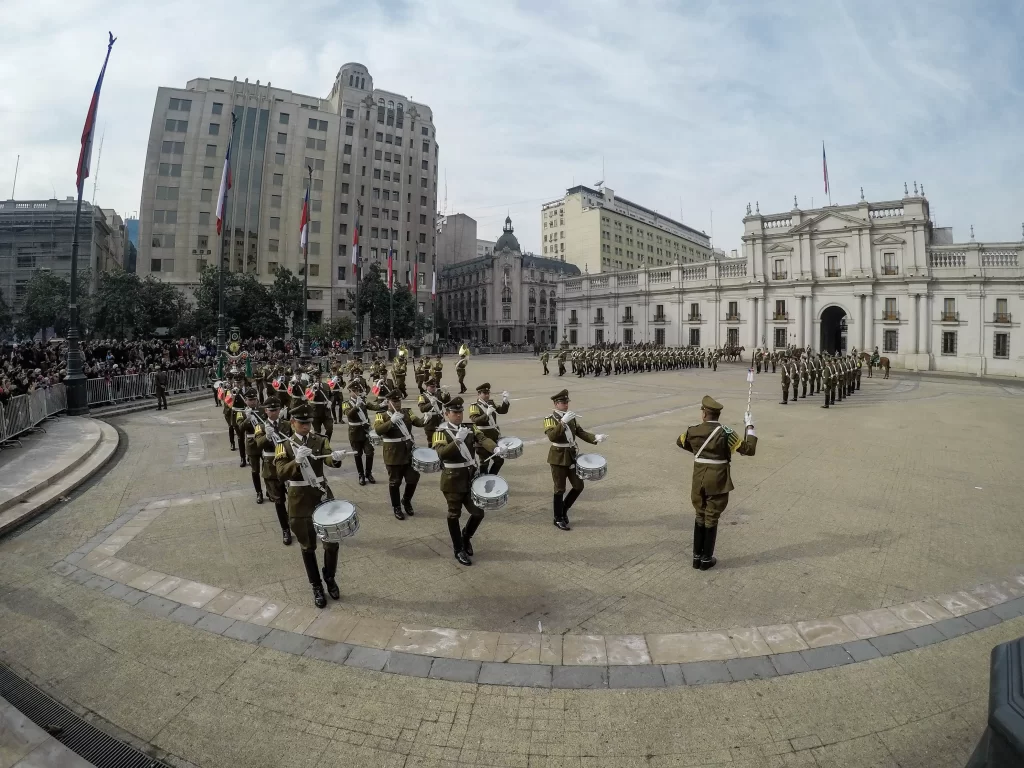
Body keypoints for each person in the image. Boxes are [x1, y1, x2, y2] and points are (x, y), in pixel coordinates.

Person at [274, 403, 347, 607]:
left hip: (321, 496)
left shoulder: (320, 439)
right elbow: (280, 473)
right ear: (293, 422)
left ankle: (330, 577)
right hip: (299, 501)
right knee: (308, 547)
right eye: (302, 423)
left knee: (332, 543)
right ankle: (316, 586)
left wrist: (336, 459)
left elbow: (329, 459)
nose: (307, 426)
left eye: (309, 422)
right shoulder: (284, 445)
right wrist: (296, 461)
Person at [677, 395, 757, 570]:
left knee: (700, 514)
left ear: (704, 414)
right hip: (718, 479)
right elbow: (749, 450)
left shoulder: (693, 430)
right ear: (717, 415)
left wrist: (698, 452)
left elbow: (680, 442)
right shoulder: (726, 432)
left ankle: (696, 557)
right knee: (711, 516)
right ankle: (706, 559)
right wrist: (749, 427)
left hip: (699, 479)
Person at [431, 397, 506, 565]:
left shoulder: (470, 428)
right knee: (454, 515)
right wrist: (457, 440)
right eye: (455, 413)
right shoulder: (439, 433)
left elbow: (483, 439)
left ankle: (466, 537)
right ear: (446, 414)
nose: (458, 415)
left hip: (471, 478)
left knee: (478, 512)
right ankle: (458, 549)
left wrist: (495, 447)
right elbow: (442, 454)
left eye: (460, 412)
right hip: (452, 480)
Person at [544, 389, 607, 531]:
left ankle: (564, 509)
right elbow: (552, 437)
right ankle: (558, 518)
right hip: (558, 457)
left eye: (566, 402)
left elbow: (580, 432)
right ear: (555, 404)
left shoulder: (571, 417)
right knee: (559, 489)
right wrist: (562, 423)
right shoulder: (549, 419)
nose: (565, 405)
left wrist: (595, 438)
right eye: (562, 402)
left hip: (572, 455)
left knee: (579, 486)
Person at [373, 389, 426, 520]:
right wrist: (391, 422)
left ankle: (406, 500)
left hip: (408, 452)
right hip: (393, 454)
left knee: (413, 478)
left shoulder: (407, 412)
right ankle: (396, 507)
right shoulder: (382, 415)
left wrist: (426, 418)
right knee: (395, 482)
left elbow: (418, 423)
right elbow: (378, 430)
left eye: (399, 401)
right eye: (394, 401)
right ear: (388, 402)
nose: (397, 404)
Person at [254, 396, 293, 545]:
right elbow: (258, 443)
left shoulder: (287, 424)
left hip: (288, 466)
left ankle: (294, 522)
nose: (274, 413)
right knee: (278, 500)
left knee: (293, 497)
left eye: (276, 409)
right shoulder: (260, 426)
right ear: (266, 411)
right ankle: (285, 529)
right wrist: (267, 436)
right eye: (271, 410)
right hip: (271, 468)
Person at [341, 381, 383, 486]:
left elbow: (374, 407)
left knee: (369, 452)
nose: (356, 392)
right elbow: (348, 414)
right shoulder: (346, 403)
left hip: (366, 431)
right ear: (350, 392)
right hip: (354, 432)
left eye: (358, 390)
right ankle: (361, 475)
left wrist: (383, 404)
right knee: (357, 454)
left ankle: (368, 473)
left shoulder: (362, 401)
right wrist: (356, 406)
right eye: (354, 391)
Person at [468, 383, 510, 476]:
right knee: (484, 463)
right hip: (482, 438)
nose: (487, 395)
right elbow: (475, 421)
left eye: (488, 393)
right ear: (479, 394)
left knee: (499, 460)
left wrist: (505, 401)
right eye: (484, 393)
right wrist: (486, 414)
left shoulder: (491, 403)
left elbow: (502, 411)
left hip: (494, 437)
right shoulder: (474, 406)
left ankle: (492, 477)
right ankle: (483, 481)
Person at [417, 377, 450, 445]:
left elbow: (446, 402)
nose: (434, 388)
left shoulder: (439, 393)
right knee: (431, 442)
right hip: (430, 421)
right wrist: (430, 404)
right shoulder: (423, 396)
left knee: (442, 440)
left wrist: (446, 393)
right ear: (427, 387)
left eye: (434, 386)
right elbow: (422, 409)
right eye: (431, 387)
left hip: (440, 419)